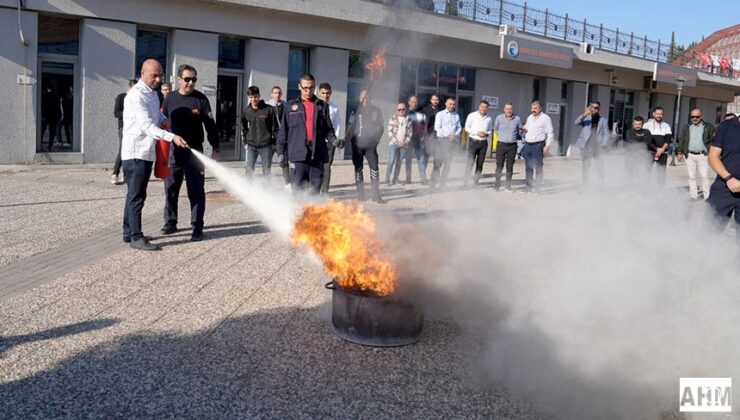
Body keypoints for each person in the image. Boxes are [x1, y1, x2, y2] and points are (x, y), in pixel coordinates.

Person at [122, 59, 188, 251]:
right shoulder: (136, 96)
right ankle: (135, 236)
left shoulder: (152, 94)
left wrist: (164, 119)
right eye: (154, 75)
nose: (158, 79)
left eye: (160, 75)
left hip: (145, 152)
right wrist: (172, 136)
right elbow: (146, 126)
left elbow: (155, 117)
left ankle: (128, 231)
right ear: (142, 73)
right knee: (137, 196)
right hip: (136, 152)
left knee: (134, 194)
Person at [159, 64, 218, 242]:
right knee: (171, 188)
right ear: (179, 80)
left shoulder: (201, 99)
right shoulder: (169, 98)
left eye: (194, 79)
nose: (191, 83)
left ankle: (197, 226)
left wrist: (216, 148)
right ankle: (170, 222)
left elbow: (210, 125)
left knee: (196, 190)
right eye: (187, 79)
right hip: (174, 152)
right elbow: (162, 120)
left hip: (194, 152)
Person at [276, 73, 337, 194]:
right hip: (297, 154)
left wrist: (334, 140)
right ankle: (297, 212)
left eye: (311, 87)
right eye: (305, 88)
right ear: (299, 86)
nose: (308, 91)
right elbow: (283, 132)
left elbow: (328, 130)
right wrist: (280, 153)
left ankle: (312, 212)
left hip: (317, 155)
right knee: (297, 190)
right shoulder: (290, 107)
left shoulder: (322, 106)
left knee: (314, 191)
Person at [707, 115, 740, 267]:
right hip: (723, 187)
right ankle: (696, 270)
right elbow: (713, 157)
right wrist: (729, 179)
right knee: (707, 230)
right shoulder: (726, 126)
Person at [345, 89, 384, 202]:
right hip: (357, 144)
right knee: (358, 169)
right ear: (359, 98)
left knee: (375, 169)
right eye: (363, 98)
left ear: (370, 98)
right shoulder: (354, 109)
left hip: (371, 145)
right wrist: (348, 138)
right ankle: (360, 195)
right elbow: (350, 125)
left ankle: (376, 195)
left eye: (367, 97)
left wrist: (377, 140)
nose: (365, 100)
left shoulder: (376, 110)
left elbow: (381, 127)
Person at [241, 85, 279, 179]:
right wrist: (245, 142)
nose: (254, 99)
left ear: (259, 95)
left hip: (266, 145)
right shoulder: (246, 111)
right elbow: (244, 127)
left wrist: (274, 142)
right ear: (248, 97)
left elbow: (275, 128)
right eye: (251, 97)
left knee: (266, 169)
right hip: (251, 145)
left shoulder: (268, 109)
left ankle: (266, 190)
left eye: (256, 96)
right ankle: (247, 188)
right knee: (249, 169)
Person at [677, 109, 714, 200]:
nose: (694, 118)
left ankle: (707, 196)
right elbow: (682, 140)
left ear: (701, 116)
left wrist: (711, 152)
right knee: (692, 176)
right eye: (692, 117)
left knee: (704, 176)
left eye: (697, 117)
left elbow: (713, 140)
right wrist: (679, 152)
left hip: (703, 155)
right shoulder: (687, 127)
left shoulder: (708, 127)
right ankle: (693, 196)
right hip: (690, 155)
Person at [521, 100, 554, 193]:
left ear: (540, 108)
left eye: (535, 108)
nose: (533, 110)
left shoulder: (545, 118)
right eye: (532, 108)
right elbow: (527, 128)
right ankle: (528, 188)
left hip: (538, 145)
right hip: (528, 145)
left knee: (538, 167)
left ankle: (538, 189)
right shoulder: (529, 117)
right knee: (528, 167)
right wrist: (524, 129)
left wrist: (547, 146)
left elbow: (550, 133)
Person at [574, 101, 609, 186]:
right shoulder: (586, 118)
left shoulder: (603, 120)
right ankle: (585, 186)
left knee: (599, 167)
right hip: (586, 146)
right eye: (592, 107)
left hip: (598, 147)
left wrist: (603, 145)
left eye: (596, 108)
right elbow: (576, 122)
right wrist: (584, 114)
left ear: (599, 109)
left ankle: (601, 186)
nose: (594, 109)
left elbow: (606, 134)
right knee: (586, 167)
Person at [112, 79, 138, 185]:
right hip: (123, 128)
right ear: (129, 87)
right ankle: (115, 173)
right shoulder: (121, 97)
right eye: (134, 89)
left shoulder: (137, 99)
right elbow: (116, 113)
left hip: (134, 128)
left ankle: (126, 174)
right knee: (122, 150)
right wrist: (129, 113)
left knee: (132, 151)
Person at [431, 97, 461, 189]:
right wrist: (448, 135)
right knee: (437, 164)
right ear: (446, 104)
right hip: (441, 141)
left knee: (447, 164)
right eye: (450, 104)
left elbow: (459, 127)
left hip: (452, 142)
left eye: (453, 104)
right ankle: (433, 184)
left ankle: (442, 184)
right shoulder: (440, 114)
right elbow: (437, 128)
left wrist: (455, 135)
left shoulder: (456, 115)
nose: (452, 106)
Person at [318, 83, 342, 194]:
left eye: (327, 93)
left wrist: (334, 140)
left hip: (330, 142)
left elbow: (337, 124)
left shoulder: (334, 107)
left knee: (327, 167)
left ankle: (324, 191)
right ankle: (314, 189)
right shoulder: (315, 106)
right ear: (319, 93)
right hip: (318, 142)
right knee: (316, 166)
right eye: (323, 93)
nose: (325, 95)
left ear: (331, 93)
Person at [493, 102, 523, 191]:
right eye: (507, 109)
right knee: (499, 166)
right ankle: (497, 185)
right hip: (501, 145)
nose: (509, 111)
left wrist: (513, 136)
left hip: (512, 146)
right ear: (504, 109)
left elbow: (520, 130)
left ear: (512, 109)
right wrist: (502, 136)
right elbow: (495, 129)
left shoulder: (517, 119)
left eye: (510, 109)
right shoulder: (499, 118)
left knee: (510, 166)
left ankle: (508, 186)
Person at [463, 100, 493, 186]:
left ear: (487, 108)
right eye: (482, 107)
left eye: (485, 107)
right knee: (470, 163)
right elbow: (466, 128)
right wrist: (476, 133)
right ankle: (465, 183)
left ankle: (475, 183)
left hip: (483, 143)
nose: (483, 109)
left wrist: (486, 133)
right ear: (479, 107)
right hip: (473, 142)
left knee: (480, 164)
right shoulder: (472, 115)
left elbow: (490, 130)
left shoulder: (489, 118)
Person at [267, 86, 291, 189]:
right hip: (269, 139)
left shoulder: (285, 105)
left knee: (284, 161)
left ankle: (287, 184)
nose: (277, 95)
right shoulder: (267, 106)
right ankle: (267, 184)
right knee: (267, 162)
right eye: (275, 93)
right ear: (272, 94)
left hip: (281, 139)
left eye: (279, 93)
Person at [643, 106, 672, 186]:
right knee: (646, 172)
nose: (659, 116)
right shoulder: (646, 125)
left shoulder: (666, 126)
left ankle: (660, 192)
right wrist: (656, 149)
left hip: (663, 153)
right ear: (653, 114)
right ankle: (644, 191)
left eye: (661, 114)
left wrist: (662, 149)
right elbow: (646, 140)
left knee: (661, 173)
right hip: (649, 152)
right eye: (657, 114)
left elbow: (668, 139)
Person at [385, 102, 412, 186]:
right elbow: (389, 132)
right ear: (396, 110)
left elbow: (410, 133)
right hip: (393, 143)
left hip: (403, 144)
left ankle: (395, 179)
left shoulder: (408, 120)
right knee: (391, 161)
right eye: (399, 109)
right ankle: (387, 179)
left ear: (405, 110)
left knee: (399, 162)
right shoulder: (392, 119)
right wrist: (397, 142)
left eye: (403, 109)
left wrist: (404, 142)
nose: (401, 111)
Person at [624, 116, 652, 186]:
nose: (637, 126)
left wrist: (638, 139)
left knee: (642, 175)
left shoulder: (647, 132)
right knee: (629, 175)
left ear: (642, 124)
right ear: (633, 124)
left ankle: (641, 189)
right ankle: (629, 188)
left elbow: (648, 142)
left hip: (643, 158)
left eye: (639, 124)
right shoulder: (629, 132)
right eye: (636, 124)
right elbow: (630, 141)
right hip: (630, 158)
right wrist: (642, 138)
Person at [406, 95, 428, 185]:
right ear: (409, 102)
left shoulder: (421, 113)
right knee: (408, 159)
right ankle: (408, 179)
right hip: (409, 140)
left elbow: (425, 126)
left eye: (415, 102)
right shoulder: (405, 113)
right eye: (412, 102)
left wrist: (424, 136)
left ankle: (423, 179)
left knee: (421, 159)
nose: (414, 103)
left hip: (419, 139)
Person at [422, 93, 443, 172]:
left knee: (437, 156)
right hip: (428, 136)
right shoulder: (425, 110)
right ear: (431, 100)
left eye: (437, 100)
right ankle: (422, 175)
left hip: (438, 137)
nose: (435, 101)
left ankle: (435, 175)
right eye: (434, 99)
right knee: (426, 156)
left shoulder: (441, 110)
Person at [40, 86, 61, 152]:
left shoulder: (44, 96)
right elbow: (58, 107)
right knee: (51, 132)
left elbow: (42, 106)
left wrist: (42, 116)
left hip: (45, 116)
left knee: (42, 131)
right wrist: (59, 116)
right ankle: (49, 147)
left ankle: (39, 145)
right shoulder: (56, 96)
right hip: (53, 117)